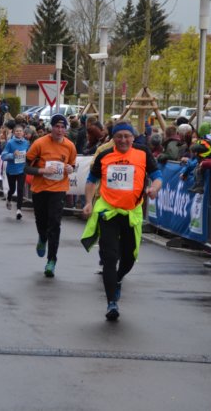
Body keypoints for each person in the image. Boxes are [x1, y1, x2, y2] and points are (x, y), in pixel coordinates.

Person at [81, 120, 162, 321]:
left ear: (133, 137)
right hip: (108, 211)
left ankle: (118, 279)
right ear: (113, 138)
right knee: (109, 257)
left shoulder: (142, 153)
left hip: (131, 212)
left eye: (127, 136)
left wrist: (154, 188)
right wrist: (89, 202)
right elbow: (91, 181)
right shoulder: (105, 155)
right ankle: (111, 303)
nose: (123, 140)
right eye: (119, 136)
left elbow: (157, 176)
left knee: (129, 257)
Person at [25, 114, 77, 277]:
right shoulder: (39, 143)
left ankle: (52, 260)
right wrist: (43, 170)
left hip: (58, 189)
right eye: (57, 127)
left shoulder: (70, 146)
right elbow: (26, 167)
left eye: (63, 127)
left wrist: (71, 169)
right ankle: (42, 237)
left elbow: (72, 165)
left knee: (55, 224)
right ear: (51, 128)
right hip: (40, 189)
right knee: (41, 221)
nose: (60, 130)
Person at [1, 123, 30, 220]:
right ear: (14, 132)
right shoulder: (10, 143)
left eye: (20, 131)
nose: (18, 132)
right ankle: (9, 198)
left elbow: (30, 154)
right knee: (12, 189)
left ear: (23, 133)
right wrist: (13, 155)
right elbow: (3, 156)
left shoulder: (26, 143)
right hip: (11, 170)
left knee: (20, 189)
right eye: (17, 131)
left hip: (22, 169)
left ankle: (19, 210)